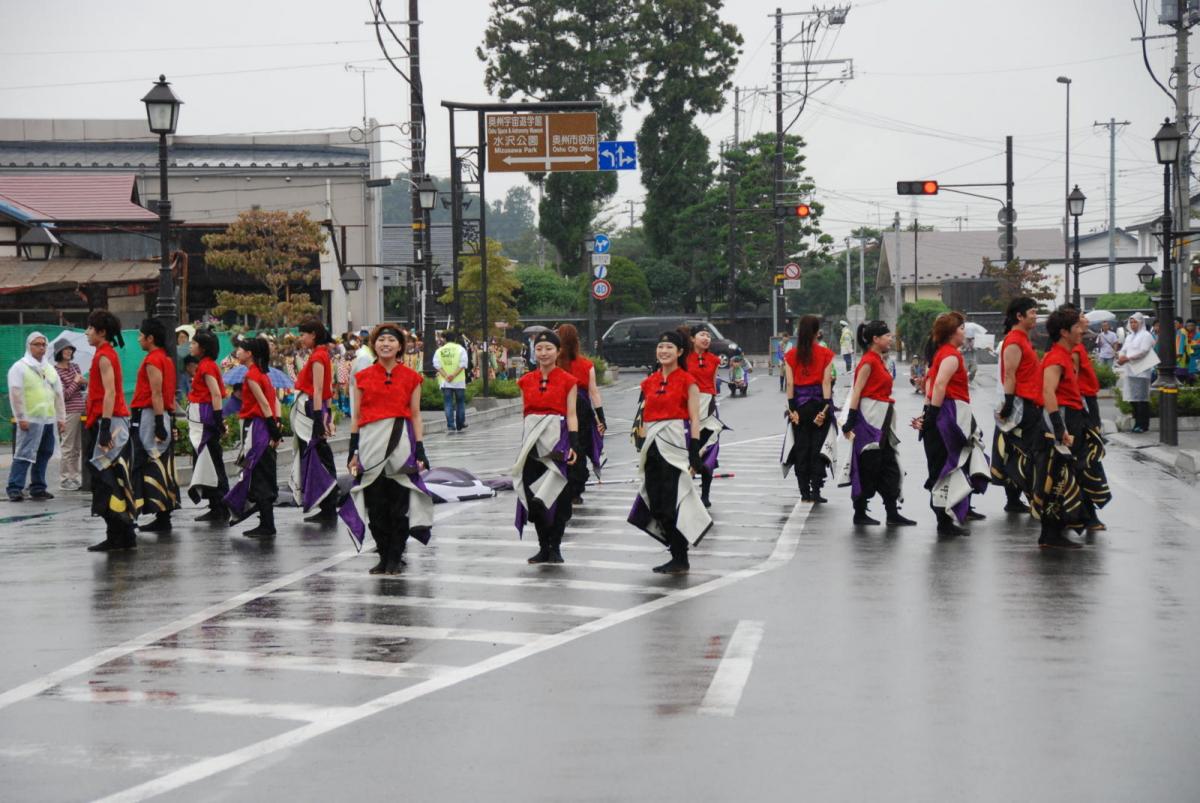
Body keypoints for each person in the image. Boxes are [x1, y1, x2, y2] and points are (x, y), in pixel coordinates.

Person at [340, 325, 434, 574]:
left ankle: (395, 555)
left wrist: (420, 449)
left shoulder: (412, 377)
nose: (386, 344)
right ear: (374, 345)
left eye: (391, 340)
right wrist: (353, 450)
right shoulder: (362, 377)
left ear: (400, 346)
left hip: (401, 443)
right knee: (376, 505)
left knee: (399, 505)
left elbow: (415, 415)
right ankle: (383, 554)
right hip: (371, 444)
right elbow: (356, 416)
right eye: (381, 340)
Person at [628, 331, 711, 574]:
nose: (664, 351)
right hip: (652, 448)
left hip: (675, 448)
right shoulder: (649, 382)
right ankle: (675, 553)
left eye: (669, 347)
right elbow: (642, 417)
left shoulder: (688, 381)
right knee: (654, 503)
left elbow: (695, 419)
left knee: (671, 502)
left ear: (680, 352)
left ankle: (680, 557)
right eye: (661, 346)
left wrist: (694, 454)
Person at [916, 312, 989, 537]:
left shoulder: (942, 354)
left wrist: (929, 413)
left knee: (945, 466)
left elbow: (930, 385)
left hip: (943, 413)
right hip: (948, 415)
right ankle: (944, 521)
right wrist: (933, 415)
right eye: (960, 328)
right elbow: (938, 386)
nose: (963, 331)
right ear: (950, 333)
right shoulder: (951, 356)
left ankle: (947, 517)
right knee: (949, 466)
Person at [839, 321, 916, 527]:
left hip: (883, 420)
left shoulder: (879, 360)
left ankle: (892, 512)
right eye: (887, 336)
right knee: (869, 466)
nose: (891, 339)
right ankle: (860, 512)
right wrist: (851, 420)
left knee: (889, 465)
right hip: (870, 421)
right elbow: (856, 391)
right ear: (875, 339)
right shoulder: (868, 362)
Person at [513, 330, 579, 565]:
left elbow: (571, 414)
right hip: (532, 446)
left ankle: (555, 548)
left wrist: (574, 444)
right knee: (534, 499)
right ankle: (543, 547)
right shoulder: (525, 381)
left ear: (558, 351)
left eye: (548, 348)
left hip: (557, 444)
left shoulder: (568, 380)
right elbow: (526, 415)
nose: (543, 353)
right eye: (539, 349)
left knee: (558, 498)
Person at [1032, 306, 1093, 549]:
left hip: (1071, 418)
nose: (1082, 330)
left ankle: (1054, 531)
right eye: (1077, 326)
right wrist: (1059, 429)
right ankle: (1050, 533)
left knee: (1063, 475)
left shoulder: (1064, 354)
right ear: (1064, 332)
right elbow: (1048, 391)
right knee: (1056, 476)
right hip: (1061, 420)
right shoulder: (1056, 357)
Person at [83, 310, 137, 552]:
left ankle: (122, 531)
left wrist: (104, 427)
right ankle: (117, 534)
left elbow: (110, 392)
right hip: (107, 419)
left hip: (110, 421)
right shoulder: (102, 354)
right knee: (108, 476)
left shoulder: (105, 356)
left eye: (90, 328)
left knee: (106, 477)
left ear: (101, 332)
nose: (87, 332)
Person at [223, 338, 282, 538]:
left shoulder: (252, 376)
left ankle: (267, 524)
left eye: (240, 349)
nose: (237, 351)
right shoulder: (263, 373)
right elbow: (273, 401)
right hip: (262, 427)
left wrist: (273, 430)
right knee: (258, 472)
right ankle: (265, 521)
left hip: (257, 428)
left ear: (249, 353)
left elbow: (265, 404)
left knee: (256, 472)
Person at [128, 318, 180, 533]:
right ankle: (163, 516)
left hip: (150, 415)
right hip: (160, 413)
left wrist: (158, 424)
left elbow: (157, 393)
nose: (139, 339)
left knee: (145, 460)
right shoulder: (166, 359)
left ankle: (145, 511)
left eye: (141, 335)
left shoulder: (153, 360)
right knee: (162, 463)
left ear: (151, 338)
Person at [991, 297, 1042, 513]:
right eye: (1032, 312)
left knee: (1019, 450)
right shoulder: (1014, 341)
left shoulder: (1022, 339)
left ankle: (1018, 499)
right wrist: (1009, 405)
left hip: (1029, 400)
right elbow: (1010, 374)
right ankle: (1026, 498)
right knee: (1022, 451)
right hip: (1022, 403)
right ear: (1019, 316)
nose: (1035, 316)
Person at [781, 315, 836, 503]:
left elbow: (789, 384)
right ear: (816, 332)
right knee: (818, 447)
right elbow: (826, 381)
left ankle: (804, 492)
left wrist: (792, 409)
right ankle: (816, 491)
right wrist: (825, 409)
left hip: (799, 406)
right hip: (819, 403)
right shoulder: (825, 354)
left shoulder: (790, 355)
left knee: (801, 447)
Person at [6, 332, 65, 502]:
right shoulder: (20, 367)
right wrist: (20, 417)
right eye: (37, 344)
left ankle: (38, 487)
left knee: (44, 453)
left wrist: (61, 418)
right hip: (30, 419)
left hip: (48, 419)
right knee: (24, 453)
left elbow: (58, 395)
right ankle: (15, 487)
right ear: (29, 346)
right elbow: (15, 394)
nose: (41, 348)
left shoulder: (49, 368)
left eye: (43, 345)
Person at [290, 318, 339, 524]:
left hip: (311, 408)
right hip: (315, 408)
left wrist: (319, 418)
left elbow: (319, 389)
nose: (301, 338)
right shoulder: (320, 354)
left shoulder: (318, 356)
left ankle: (328, 504)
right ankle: (326, 503)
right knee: (318, 455)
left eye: (303, 334)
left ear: (314, 335)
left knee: (318, 456)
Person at [1069, 310, 1110, 532]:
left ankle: (1086, 512)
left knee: (1088, 460)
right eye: (1082, 317)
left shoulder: (1079, 347)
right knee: (1085, 462)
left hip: (1087, 404)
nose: (1086, 320)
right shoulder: (1073, 350)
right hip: (1080, 407)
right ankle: (1086, 513)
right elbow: (1073, 384)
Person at [556, 323, 605, 505]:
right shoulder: (586, 364)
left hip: (560, 408)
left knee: (561, 446)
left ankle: (561, 484)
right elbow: (594, 392)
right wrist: (601, 417)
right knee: (580, 448)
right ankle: (576, 490)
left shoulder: (554, 364)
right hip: (583, 410)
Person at [186, 329, 229, 522]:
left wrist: (218, 419)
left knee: (210, 461)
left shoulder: (207, 367)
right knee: (207, 461)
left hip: (205, 418)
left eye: (193, 343)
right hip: (201, 417)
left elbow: (216, 394)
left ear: (202, 348)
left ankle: (220, 505)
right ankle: (215, 504)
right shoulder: (205, 365)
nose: (190, 346)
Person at [683, 324, 726, 508]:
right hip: (688, 404)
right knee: (687, 451)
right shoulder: (684, 358)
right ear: (692, 338)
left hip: (708, 405)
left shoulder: (715, 360)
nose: (706, 338)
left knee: (708, 453)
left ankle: (705, 494)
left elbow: (714, 386)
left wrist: (712, 403)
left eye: (708, 335)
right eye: (702, 334)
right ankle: (684, 490)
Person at [52, 339, 86, 492]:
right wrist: (75, 382)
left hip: (81, 410)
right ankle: (65, 479)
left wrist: (83, 381)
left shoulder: (75, 367)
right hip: (68, 412)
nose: (69, 352)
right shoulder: (55, 371)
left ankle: (75, 477)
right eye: (65, 349)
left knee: (78, 447)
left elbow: (82, 387)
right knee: (67, 446)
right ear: (58, 352)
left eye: (70, 349)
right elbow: (62, 395)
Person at [1117, 312, 1155, 433]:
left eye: (1135, 322)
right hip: (1130, 370)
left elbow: (1144, 351)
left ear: (1140, 323)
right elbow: (1123, 350)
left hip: (1142, 371)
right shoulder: (1129, 336)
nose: (1133, 324)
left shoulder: (1146, 335)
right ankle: (1136, 422)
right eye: (1131, 322)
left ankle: (1143, 424)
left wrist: (1127, 358)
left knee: (1142, 399)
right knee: (1133, 399)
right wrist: (1121, 358)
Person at [434, 331, 469, 434]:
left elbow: (437, 365)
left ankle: (450, 425)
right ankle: (460, 423)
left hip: (445, 382)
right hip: (459, 382)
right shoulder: (460, 349)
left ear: (444, 339)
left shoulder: (439, 351)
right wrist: (453, 375)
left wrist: (446, 376)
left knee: (448, 403)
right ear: (455, 339)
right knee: (460, 403)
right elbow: (463, 365)